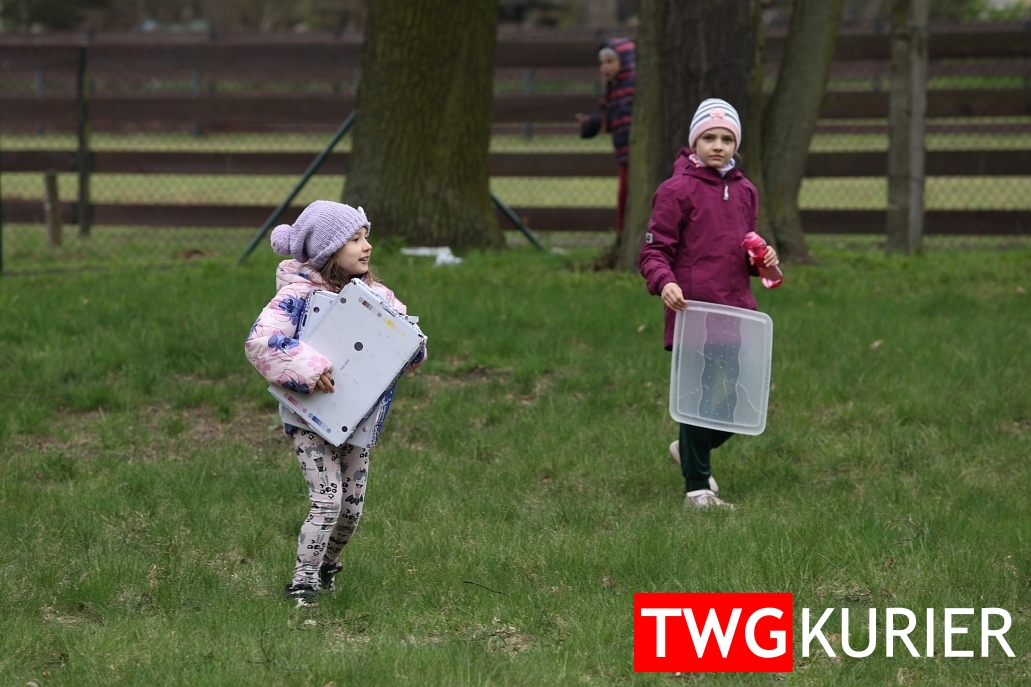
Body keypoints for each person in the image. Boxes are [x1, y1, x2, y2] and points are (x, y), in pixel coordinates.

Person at [244, 200, 426, 607]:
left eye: (366, 236)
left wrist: (413, 348)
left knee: (351, 510)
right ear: (328, 250)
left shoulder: (376, 295)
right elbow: (261, 342)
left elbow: (405, 334)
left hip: (357, 418)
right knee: (327, 502)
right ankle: (302, 584)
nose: (367, 246)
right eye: (354, 239)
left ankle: (326, 567)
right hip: (309, 418)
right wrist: (309, 368)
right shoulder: (297, 296)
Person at [638, 98, 779, 510]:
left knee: (741, 398)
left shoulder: (746, 191)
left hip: (737, 313)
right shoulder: (675, 190)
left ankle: (690, 448)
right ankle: (697, 489)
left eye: (726, 139)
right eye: (709, 137)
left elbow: (743, 251)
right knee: (697, 397)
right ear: (694, 143)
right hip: (693, 313)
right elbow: (653, 252)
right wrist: (665, 283)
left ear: (736, 144)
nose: (718, 145)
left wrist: (762, 260)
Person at [575, 37, 635, 235]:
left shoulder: (635, 87)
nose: (604, 67)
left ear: (625, 61)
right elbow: (609, 121)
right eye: (602, 63)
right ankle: (622, 236)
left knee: (631, 196)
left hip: (637, 154)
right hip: (624, 155)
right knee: (623, 198)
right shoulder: (611, 90)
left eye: (610, 62)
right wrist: (591, 123)